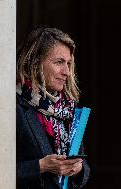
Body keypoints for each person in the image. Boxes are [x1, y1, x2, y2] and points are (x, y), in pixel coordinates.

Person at [16, 27, 90, 189]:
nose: (67, 72)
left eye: (69, 64)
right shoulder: (13, 106)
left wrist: (78, 168)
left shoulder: (67, 108)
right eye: (59, 62)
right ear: (35, 63)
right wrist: (41, 166)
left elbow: (83, 168)